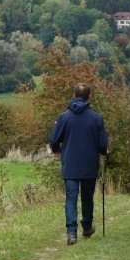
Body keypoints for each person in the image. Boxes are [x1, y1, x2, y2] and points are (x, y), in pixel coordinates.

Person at [49, 84, 109, 245]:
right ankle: (87, 227)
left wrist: (57, 151)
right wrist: (103, 153)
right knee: (87, 197)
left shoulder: (63, 118)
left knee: (71, 198)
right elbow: (103, 145)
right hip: (89, 163)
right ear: (88, 97)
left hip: (70, 163)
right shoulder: (96, 118)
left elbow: (54, 140)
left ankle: (71, 233)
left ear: (73, 94)